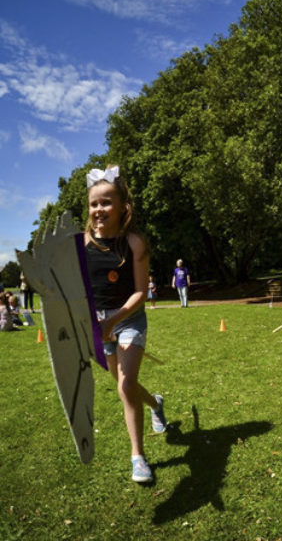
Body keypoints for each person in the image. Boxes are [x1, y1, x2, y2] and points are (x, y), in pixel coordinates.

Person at [84, 165, 167, 484]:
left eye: (106, 202)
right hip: (100, 327)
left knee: (124, 385)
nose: (99, 209)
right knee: (126, 385)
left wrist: (113, 321)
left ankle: (137, 456)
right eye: (94, 204)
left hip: (129, 320)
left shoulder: (134, 242)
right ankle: (155, 404)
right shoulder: (82, 244)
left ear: (122, 207)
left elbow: (140, 293)